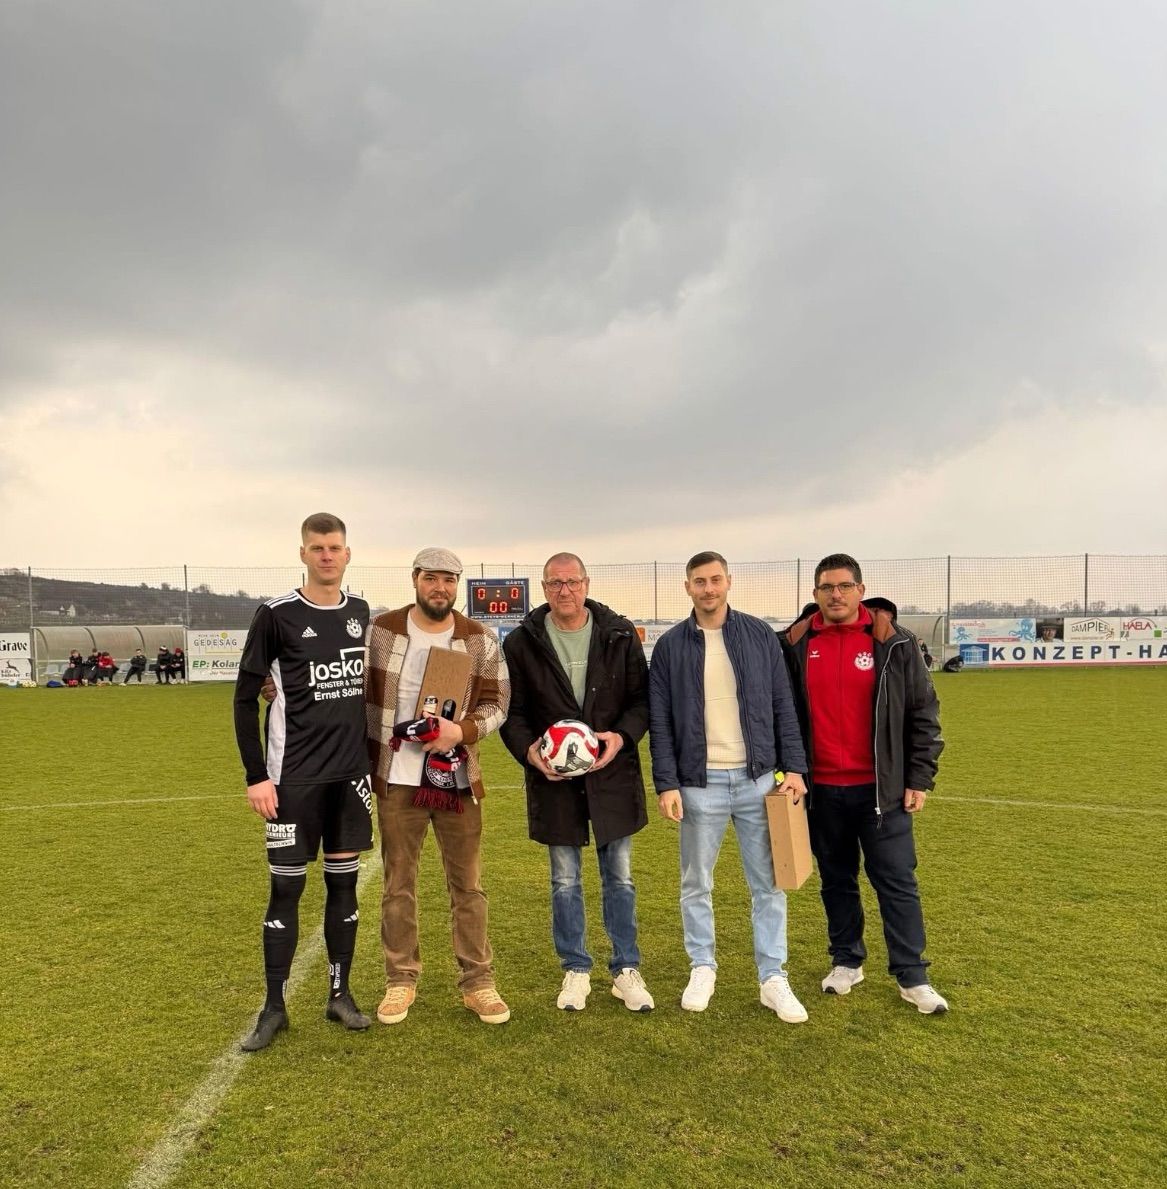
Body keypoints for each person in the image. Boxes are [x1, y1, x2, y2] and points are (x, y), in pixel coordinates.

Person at [781, 553, 948, 1014]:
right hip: (819, 793)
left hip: (883, 792)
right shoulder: (794, 644)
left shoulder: (896, 643)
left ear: (860, 589)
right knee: (836, 879)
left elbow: (924, 714)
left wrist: (919, 776)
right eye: (826, 587)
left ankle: (913, 976)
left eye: (844, 586)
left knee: (896, 881)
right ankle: (846, 960)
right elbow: (780, 716)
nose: (835, 594)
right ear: (815, 594)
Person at [233, 512, 374, 1051]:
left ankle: (340, 996)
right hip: (291, 780)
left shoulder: (361, 613)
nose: (326, 556)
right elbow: (246, 698)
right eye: (317, 548)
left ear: (347, 553)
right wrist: (256, 777)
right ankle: (273, 1008)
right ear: (302, 553)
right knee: (286, 887)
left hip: (349, 780)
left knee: (343, 884)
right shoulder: (275, 615)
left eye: (335, 547)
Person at [648, 551, 810, 1022]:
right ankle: (702, 966)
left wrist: (793, 768)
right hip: (699, 785)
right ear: (688, 587)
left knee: (769, 883)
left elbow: (784, 705)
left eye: (715, 579)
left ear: (729, 582)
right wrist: (667, 783)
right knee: (696, 882)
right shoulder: (671, 646)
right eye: (699, 581)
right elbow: (660, 722)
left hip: (760, 781)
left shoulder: (759, 635)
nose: (708, 589)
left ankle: (773, 977)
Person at [500, 552, 654, 1013]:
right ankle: (576, 969)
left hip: (610, 775)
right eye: (554, 583)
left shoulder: (620, 633)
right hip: (553, 780)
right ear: (543, 588)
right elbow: (514, 712)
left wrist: (619, 737)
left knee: (620, 878)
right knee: (564, 879)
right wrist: (530, 751)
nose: (564, 590)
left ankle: (625, 968)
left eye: (571, 581)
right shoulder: (522, 643)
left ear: (586, 583)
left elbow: (642, 701)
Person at [365, 547, 512, 1027]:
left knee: (467, 885)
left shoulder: (478, 638)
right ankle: (400, 980)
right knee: (397, 886)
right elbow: (348, 685)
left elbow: (498, 701)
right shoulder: (382, 631)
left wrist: (461, 732)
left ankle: (478, 982)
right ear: (415, 580)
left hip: (456, 781)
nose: (440, 588)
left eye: (449, 581)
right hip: (396, 780)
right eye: (432, 578)